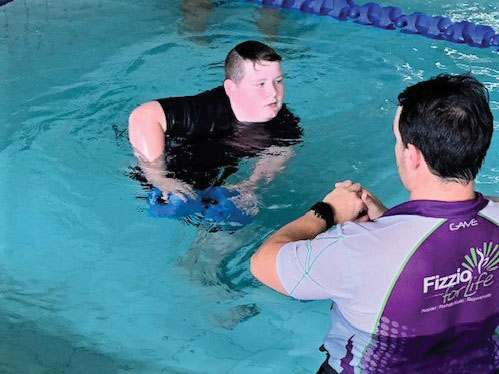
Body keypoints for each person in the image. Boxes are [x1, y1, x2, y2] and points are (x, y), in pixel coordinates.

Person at [250, 73, 498, 373]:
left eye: (398, 140)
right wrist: (391, 221)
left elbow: (263, 264)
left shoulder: (356, 248)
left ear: (413, 156)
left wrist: (327, 211)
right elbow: (439, 245)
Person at [128, 40, 302, 211]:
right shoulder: (207, 110)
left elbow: (280, 153)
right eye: (261, 84)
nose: (273, 92)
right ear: (232, 89)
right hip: (170, 169)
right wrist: (157, 175)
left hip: (214, 175)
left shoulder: (284, 122)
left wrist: (250, 186)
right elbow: (143, 116)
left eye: (278, 81)